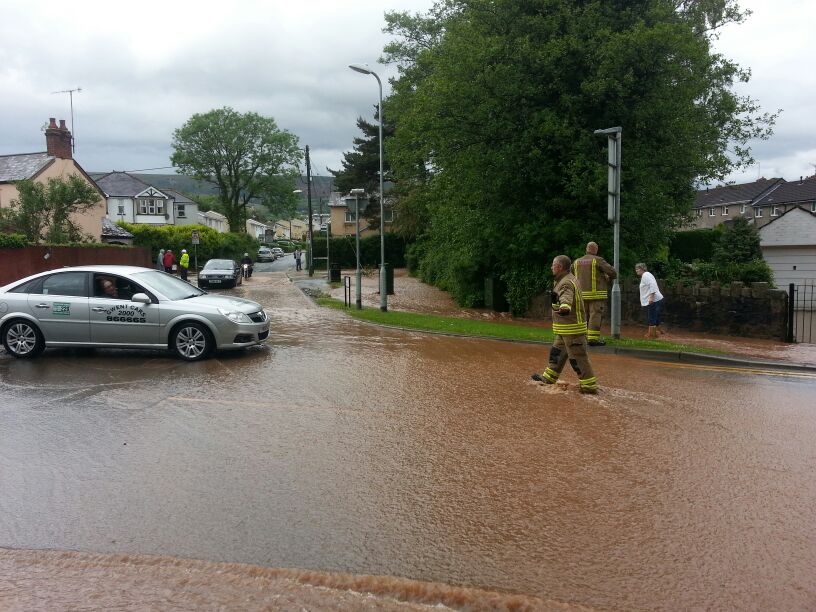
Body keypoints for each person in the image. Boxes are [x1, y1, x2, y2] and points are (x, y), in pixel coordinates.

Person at [532, 255, 599, 394]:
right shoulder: (566, 279)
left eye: (553, 265)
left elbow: (566, 299)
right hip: (564, 330)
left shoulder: (566, 283)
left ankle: (589, 387)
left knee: (578, 360)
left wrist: (564, 307)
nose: (551, 267)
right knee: (556, 355)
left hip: (572, 331)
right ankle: (548, 379)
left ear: (560, 267)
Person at [572, 241, 617, 346]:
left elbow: (571, 274)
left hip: (580, 294)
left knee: (583, 316)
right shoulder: (598, 260)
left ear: (586, 249)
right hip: (596, 295)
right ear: (595, 250)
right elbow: (613, 273)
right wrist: (606, 277)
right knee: (595, 315)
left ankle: (581, 338)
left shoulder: (576, 262)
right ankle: (592, 339)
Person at [635, 263, 665, 338]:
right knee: (656, 316)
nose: (636, 270)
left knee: (652, 316)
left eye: (637, 269)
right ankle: (660, 331)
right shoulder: (647, 275)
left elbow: (653, 284)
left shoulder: (645, 275)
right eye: (636, 269)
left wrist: (651, 297)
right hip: (657, 299)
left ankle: (651, 335)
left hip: (654, 300)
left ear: (642, 269)